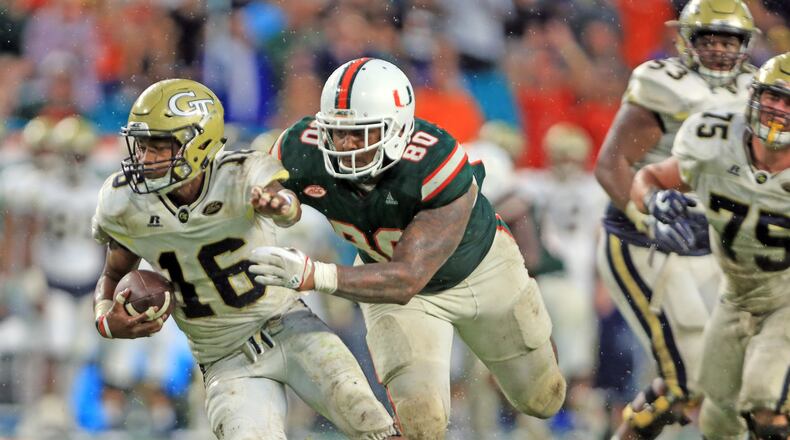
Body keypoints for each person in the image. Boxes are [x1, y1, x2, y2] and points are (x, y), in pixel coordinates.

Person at [250, 57, 566, 439]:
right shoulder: (301, 148)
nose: (345, 146)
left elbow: (408, 276)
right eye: (338, 132)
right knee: (422, 423)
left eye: (362, 134)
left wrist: (313, 275)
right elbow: (265, 191)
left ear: (398, 128)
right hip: (391, 287)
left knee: (543, 399)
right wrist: (281, 205)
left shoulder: (435, 163)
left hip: (479, 271)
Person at [90, 78, 398, 440]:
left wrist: (277, 204)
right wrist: (105, 319)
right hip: (224, 358)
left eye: (160, 147)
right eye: (141, 146)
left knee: (368, 419)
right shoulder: (124, 201)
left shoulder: (239, 172)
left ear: (199, 143)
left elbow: (288, 208)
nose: (145, 159)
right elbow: (112, 274)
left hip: (289, 326)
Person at [593, 0, 758, 437]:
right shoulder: (665, 84)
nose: (721, 50)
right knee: (692, 378)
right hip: (644, 240)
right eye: (710, 39)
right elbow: (611, 165)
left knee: (720, 371)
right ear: (687, 41)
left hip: (711, 243)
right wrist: (648, 218)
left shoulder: (756, 91)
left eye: (730, 40)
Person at [629, 52, 790, 440]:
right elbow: (648, 177)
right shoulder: (715, 138)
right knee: (718, 420)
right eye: (773, 97)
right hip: (735, 296)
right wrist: (655, 202)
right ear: (754, 96)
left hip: (787, 298)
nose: (779, 110)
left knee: (766, 409)